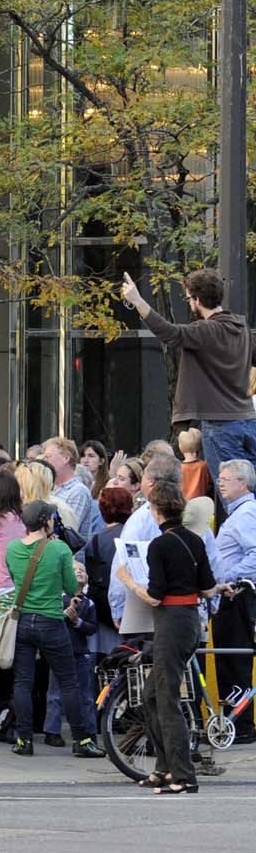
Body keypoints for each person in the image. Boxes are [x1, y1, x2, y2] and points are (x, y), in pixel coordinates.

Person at [117, 478, 219, 794]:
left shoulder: (161, 545)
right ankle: (163, 767)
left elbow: (155, 596)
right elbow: (207, 586)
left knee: (166, 697)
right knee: (151, 695)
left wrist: (129, 580)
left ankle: (184, 773)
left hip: (171, 622)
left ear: (157, 510)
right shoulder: (194, 539)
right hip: (190, 621)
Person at [122, 268, 256, 478]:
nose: (189, 303)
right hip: (248, 420)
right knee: (249, 492)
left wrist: (138, 300)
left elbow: (169, 332)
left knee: (233, 493)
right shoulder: (243, 329)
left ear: (198, 299)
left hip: (220, 424)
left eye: (188, 299)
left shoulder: (205, 330)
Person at [1, 499, 102, 758]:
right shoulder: (59, 549)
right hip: (51, 621)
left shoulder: (12, 549)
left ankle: (24, 740)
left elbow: (15, 579)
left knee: (23, 681)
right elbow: (70, 588)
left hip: (23, 620)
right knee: (68, 682)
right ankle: (82, 739)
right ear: (48, 521)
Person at [213, 459, 256, 745]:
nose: (220, 482)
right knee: (228, 659)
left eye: (227, 478)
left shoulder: (246, 514)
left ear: (244, 483)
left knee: (234, 659)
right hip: (230, 596)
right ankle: (236, 723)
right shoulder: (239, 513)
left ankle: (240, 726)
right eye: (220, 477)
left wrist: (230, 577)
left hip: (236, 596)